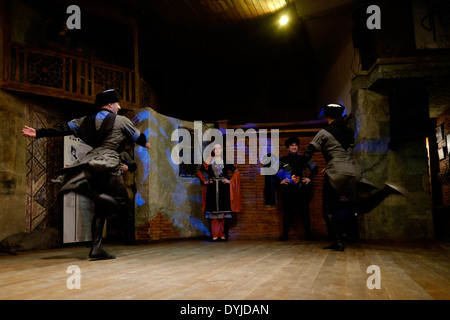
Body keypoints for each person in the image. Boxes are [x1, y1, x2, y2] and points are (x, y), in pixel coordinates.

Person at [22, 89, 151, 259]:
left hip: (90, 162)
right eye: (118, 103)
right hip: (108, 162)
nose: (119, 107)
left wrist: (38, 133)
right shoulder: (121, 121)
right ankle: (82, 188)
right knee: (122, 204)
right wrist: (147, 143)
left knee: (101, 210)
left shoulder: (85, 121)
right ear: (110, 104)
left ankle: (96, 248)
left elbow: (63, 128)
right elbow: (138, 137)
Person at [303, 103, 407, 251]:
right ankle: (386, 191)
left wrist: (299, 168)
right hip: (353, 171)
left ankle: (338, 242)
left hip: (335, 173)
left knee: (328, 208)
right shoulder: (349, 132)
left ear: (327, 115)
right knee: (362, 205)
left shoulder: (324, 132)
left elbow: (309, 152)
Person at [196, 143, 241, 241]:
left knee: (222, 211)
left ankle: (222, 234)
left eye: (219, 148)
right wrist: (205, 181)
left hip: (223, 188)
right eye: (215, 148)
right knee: (214, 212)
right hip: (212, 188)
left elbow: (236, 171)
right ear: (213, 151)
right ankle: (215, 234)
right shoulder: (209, 162)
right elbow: (199, 171)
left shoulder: (225, 162)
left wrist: (230, 181)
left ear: (221, 150)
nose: (217, 150)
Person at [277, 137, 318, 241]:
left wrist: (310, 178)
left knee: (304, 212)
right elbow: (273, 172)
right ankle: (285, 235)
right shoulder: (282, 160)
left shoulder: (304, 159)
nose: (294, 147)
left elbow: (315, 168)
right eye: (292, 145)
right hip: (288, 190)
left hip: (302, 190)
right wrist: (279, 181)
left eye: (296, 145)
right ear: (288, 148)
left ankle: (308, 235)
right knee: (287, 213)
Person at [119, 149, 138, 245]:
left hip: (125, 188)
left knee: (128, 213)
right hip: (116, 187)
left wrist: (128, 167)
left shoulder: (123, 154)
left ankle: (129, 238)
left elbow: (133, 166)